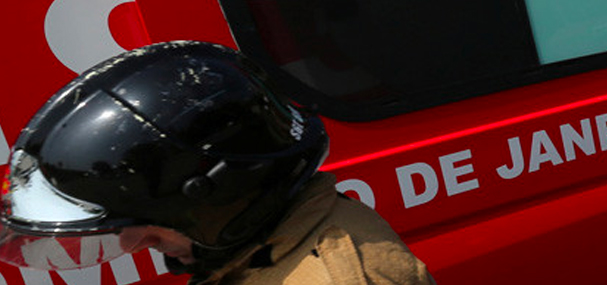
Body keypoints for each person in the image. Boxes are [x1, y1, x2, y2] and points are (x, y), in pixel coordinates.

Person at [0, 41, 436, 285]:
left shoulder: (335, 279)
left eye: (148, 221)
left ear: (224, 193)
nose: (134, 243)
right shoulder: (262, 249)